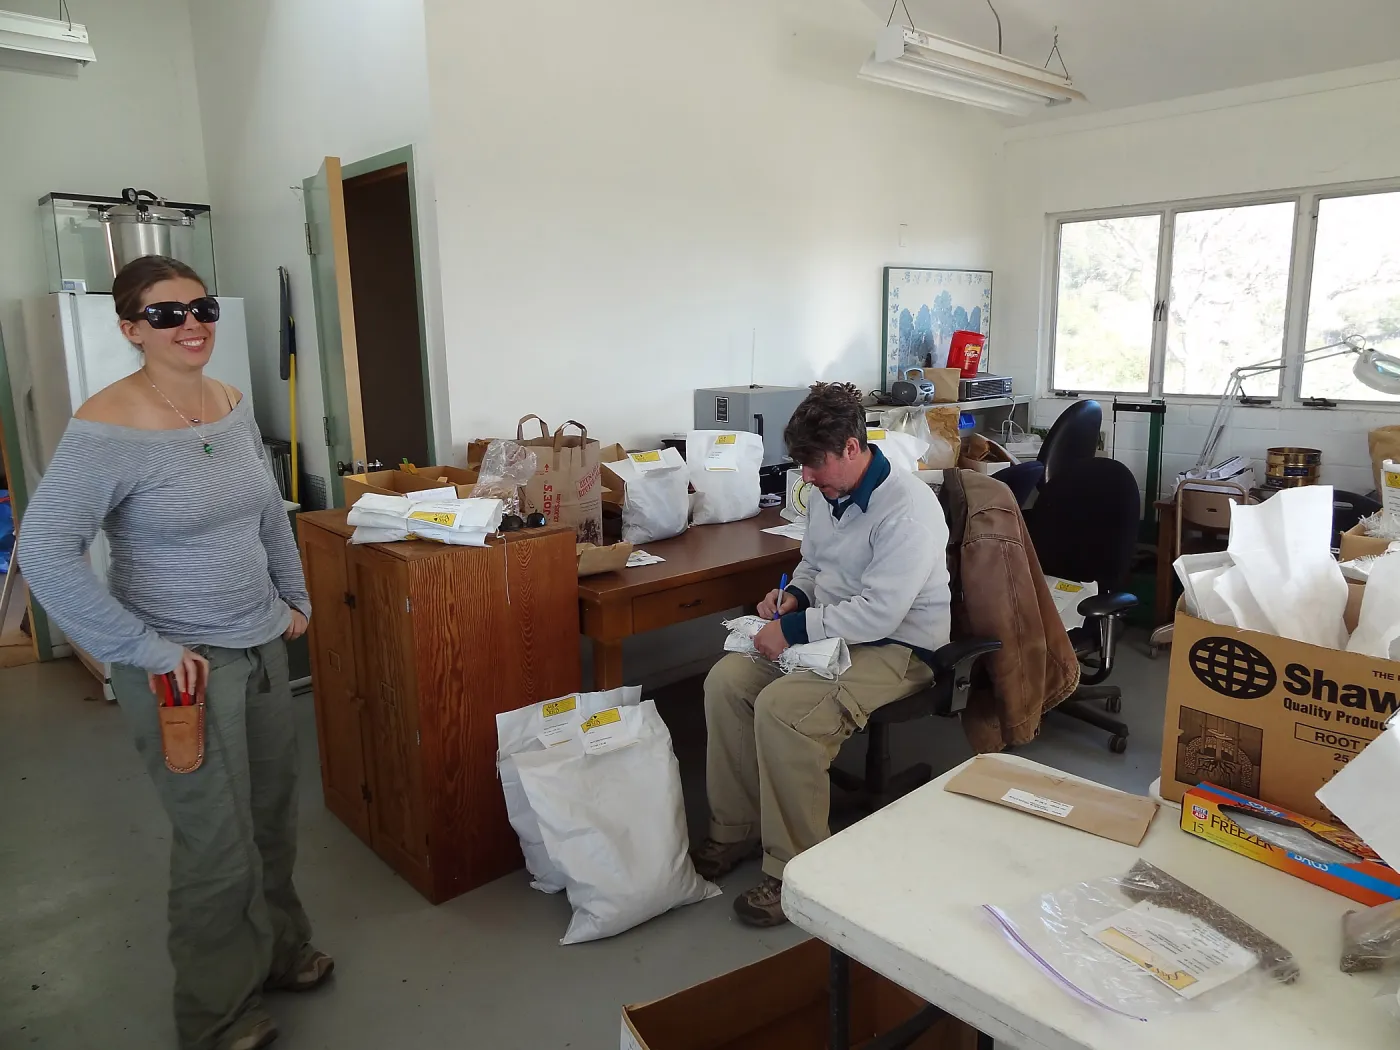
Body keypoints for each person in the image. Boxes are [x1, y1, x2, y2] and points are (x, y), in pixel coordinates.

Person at [19, 255, 329, 1050]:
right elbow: (47, 551)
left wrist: (294, 598)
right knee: (214, 848)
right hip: (181, 668)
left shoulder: (225, 402)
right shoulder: (107, 426)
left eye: (201, 308)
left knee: (269, 822)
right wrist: (145, 649)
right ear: (131, 329)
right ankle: (216, 1016)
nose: (191, 324)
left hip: (259, 645)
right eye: (165, 314)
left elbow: (266, 513)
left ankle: (280, 953)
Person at [691, 382, 951, 927]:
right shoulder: (828, 495)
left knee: (784, 709)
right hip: (831, 632)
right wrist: (794, 596)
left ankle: (797, 870)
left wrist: (792, 629)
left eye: (815, 464)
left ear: (852, 449)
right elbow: (813, 564)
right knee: (726, 681)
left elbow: (880, 613)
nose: (805, 476)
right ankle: (736, 831)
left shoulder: (908, 508)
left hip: (898, 646)